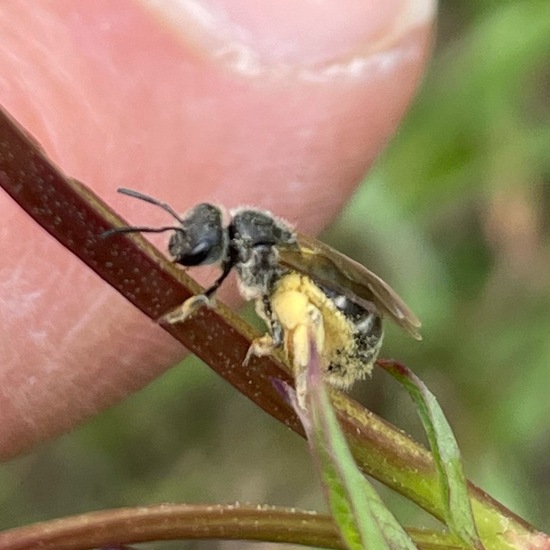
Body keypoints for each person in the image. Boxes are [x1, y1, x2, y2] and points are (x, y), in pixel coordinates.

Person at [0, 0, 434, 460]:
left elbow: (293, 288)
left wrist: (242, 322)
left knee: (293, 291)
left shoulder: (262, 254)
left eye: (195, 243)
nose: (186, 249)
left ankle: (310, 398)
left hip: (350, 324)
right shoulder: (251, 249)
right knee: (288, 292)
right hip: (334, 313)